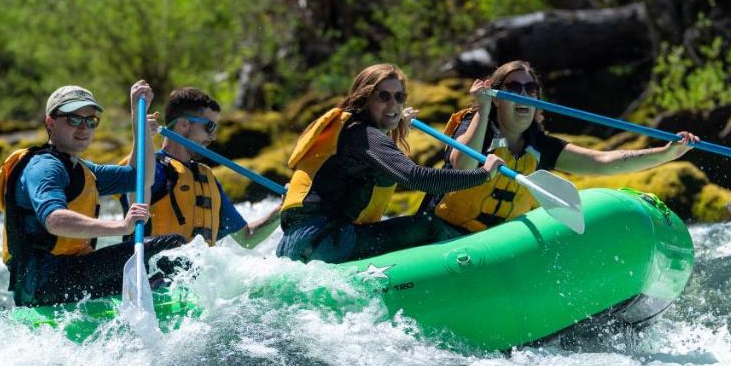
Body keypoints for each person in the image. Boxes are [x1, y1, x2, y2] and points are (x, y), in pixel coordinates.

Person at [431, 60, 700, 233]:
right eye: (514, 88)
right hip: (445, 232)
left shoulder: (540, 146)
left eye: (531, 88)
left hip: (496, 246)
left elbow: (601, 163)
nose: (524, 94)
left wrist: (668, 153)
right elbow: (461, 166)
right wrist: (482, 107)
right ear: (498, 97)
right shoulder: (474, 126)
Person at [276, 63, 505, 264]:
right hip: (326, 242)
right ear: (365, 98)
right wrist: (483, 174)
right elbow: (416, 177)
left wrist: (395, 121)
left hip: (293, 246)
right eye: (383, 96)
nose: (393, 104)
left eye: (399, 97)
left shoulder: (350, 130)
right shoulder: (364, 135)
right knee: (427, 225)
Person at [0, 82, 187, 307]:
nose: (83, 128)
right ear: (50, 123)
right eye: (73, 119)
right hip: (45, 282)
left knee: (156, 270)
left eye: (90, 121)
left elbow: (139, 177)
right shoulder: (45, 168)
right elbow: (54, 220)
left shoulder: (81, 170)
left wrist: (138, 120)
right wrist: (122, 227)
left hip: (68, 274)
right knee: (170, 247)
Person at [131, 87, 281, 249]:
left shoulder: (208, 179)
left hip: (197, 272)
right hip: (153, 271)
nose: (213, 136)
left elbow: (247, 238)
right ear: (184, 125)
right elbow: (133, 194)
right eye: (209, 127)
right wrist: (142, 135)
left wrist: (283, 209)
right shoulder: (154, 170)